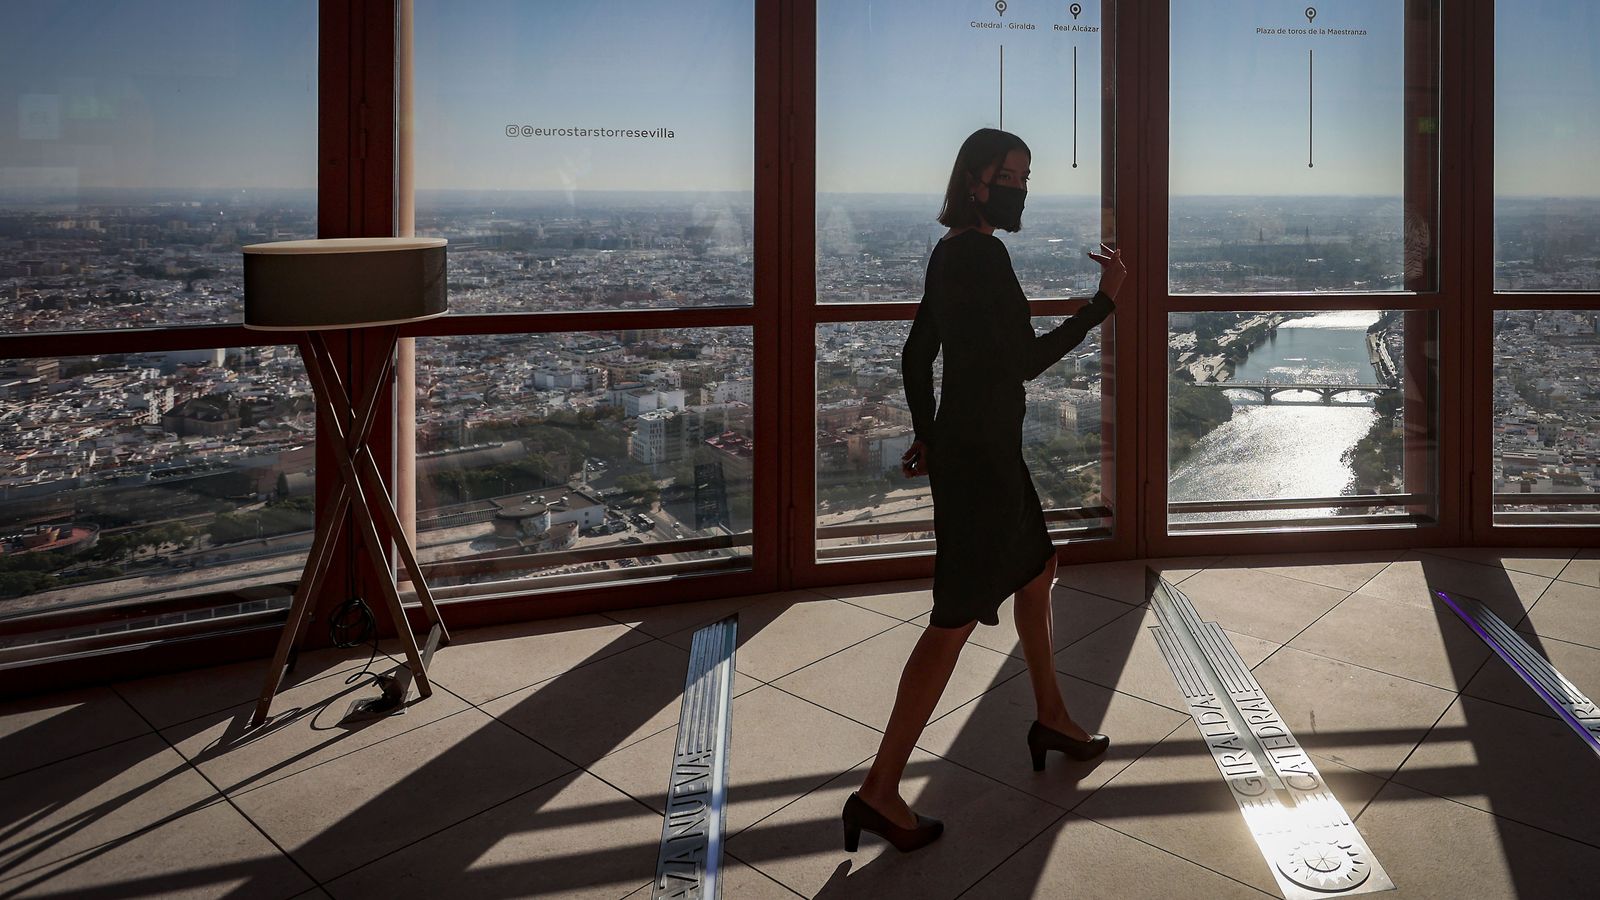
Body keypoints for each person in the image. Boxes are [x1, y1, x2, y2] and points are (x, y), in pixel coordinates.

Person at [841, 127, 1128, 854]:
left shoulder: (949, 254)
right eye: (1012, 177)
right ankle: (878, 791)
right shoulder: (982, 254)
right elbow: (1026, 362)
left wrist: (929, 431)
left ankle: (1054, 716)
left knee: (1039, 570)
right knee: (954, 620)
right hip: (985, 463)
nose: (1020, 190)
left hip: (975, 452)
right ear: (976, 181)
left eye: (1025, 178)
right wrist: (1104, 303)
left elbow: (918, 352)